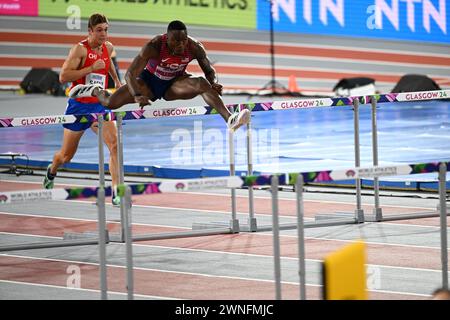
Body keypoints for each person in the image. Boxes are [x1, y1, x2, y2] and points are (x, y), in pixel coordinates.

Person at [69, 20, 250, 131]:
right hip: (148, 82)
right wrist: (138, 95)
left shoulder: (194, 47)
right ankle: (93, 90)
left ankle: (230, 119)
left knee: (202, 83)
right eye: (176, 41)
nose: (181, 45)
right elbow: (130, 74)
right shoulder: (154, 46)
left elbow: (209, 70)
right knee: (109, 103)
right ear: (167, 38)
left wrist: (214, 82)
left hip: (174, 83)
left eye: (183, 40)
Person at [43, 13, 122, 206]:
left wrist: (118, 81)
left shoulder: (109, 47)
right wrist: (91, 68)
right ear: (90, 31)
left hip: (99, 106)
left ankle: (116, 192)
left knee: (115, 145)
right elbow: (63, 77)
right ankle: (52, 170)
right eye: (99, 30)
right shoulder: (79, 50)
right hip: (78, 107)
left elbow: (108, 63)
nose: (104, 34)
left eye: (106, 29)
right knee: (66, 157)